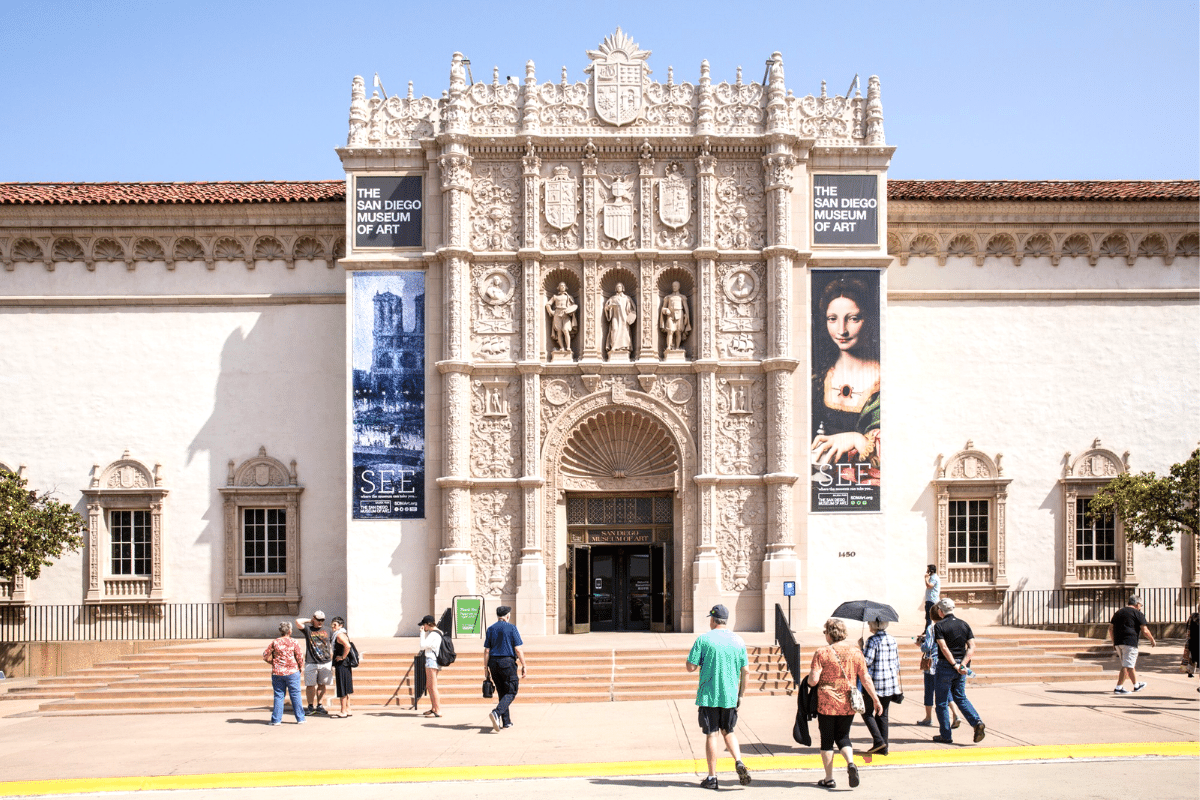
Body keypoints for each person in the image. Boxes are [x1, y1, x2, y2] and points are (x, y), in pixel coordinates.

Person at [810, 277, 880, 484]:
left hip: (868, 489)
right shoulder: (818, 379)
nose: (842, 330)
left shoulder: (884, 381)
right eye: (832, 319)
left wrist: (857, 439)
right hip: (822, 484)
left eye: (853, 318)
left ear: (868, 319)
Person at [806, 618, 882, 790]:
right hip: (848, 703)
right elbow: (865, 678)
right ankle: (851, 763)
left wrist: (810, 681)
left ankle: (829, 778)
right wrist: (875, 699)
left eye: (825, 632)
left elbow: (813, 680)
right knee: (843, 737)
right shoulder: (856, 652)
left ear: (829, 634)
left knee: (827, 741)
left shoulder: (822, 653)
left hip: (826, 702)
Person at [685, 604, 752, 790]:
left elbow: (690, 667)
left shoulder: (704, 640)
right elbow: (746, 671)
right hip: (730, 696)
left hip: (709, 695)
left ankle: (712, 777)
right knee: (729, 731)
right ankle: (738, 761)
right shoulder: (738, 640)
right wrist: (741, 695)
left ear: (713, 620)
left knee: (711, 734)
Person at [931, 598, 986, 744]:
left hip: (945, 666)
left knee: (942, 702)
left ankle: (945, 735)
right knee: (960, 696)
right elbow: (972, 646)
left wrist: (954, 664)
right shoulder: (964, 624)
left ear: (940, 611)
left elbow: (943, 647)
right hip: (961, 667)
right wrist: (963, 665)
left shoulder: (939, 626)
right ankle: (976, 722)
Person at [860, 619, 901, 759]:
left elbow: (866, 661)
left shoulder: (872, 640)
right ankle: (884, 746)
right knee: (883, 715)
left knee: (866, 712)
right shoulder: (892, 639)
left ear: (874, 625)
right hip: (889, 682)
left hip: (875, 682)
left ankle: (879, 741)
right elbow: (896, 661)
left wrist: (861, 649)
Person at [483, 606, 526, 731]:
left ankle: (506, 721)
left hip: (493, 662)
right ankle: (497, 712)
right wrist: (524, 664)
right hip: (507, 662)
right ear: (507, 616)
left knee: (502, 691)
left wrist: (486, 669)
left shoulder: (491, 629)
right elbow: (518, 649)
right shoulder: (512, 628)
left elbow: (486, 650)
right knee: (512, 690)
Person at [916, 617, 960, 730]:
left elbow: (927, 646)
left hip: (933, 663)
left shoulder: (932, 627)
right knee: (946, 690)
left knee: (929, 689)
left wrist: (920, 644)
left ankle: (928, 717)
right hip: (946, 661)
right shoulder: (949, 626)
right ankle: (955, 714)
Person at [1107, 595, 1156, 693]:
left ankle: (1136, 685)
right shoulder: (1137, 613)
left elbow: (1110, 629)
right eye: (1140, 605)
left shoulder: (1118, 612)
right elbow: (1145, 630)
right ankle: (1118, 687)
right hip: (1130, 642)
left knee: (1130, 664)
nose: (1140, 607)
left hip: (1118, 642)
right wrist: (1152, 639)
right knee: (1127, 665)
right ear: (1137, 604)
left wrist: (1113, 642)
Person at [263, 621, 305, 726]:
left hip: (278, 672)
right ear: (290, 631)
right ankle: (300, 718)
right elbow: (299, 656)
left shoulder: (275, 642)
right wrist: (301, 667)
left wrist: (273, 663)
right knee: (295, 694)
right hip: (292, 671)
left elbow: (265, 655)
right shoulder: (294, 642)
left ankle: (276, 720)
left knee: (279, 695)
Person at [295, 610, 334, 715]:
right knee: (310, 685)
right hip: (311, 661)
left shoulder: (328, 630)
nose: (320, 622)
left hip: (325, 662)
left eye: (322, 620)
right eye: (318, 620)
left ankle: (320, 705)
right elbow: (298, 621)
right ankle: (311, 706)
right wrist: (310, 621)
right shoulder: (308, 629)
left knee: (322, 684)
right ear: (314, 619)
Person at [418, 614, 444, 717]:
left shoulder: (433, 634)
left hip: (431, 660)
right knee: (429, 686)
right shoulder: (438, 632)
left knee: (433, 687)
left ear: (428, 624)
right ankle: (434, 708)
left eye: (424, 625)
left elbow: (422, 646)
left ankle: (438, 710)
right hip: (433, 661)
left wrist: (421, 634)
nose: (423, 627)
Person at [604, 282, 637, 359]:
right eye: (617, 286)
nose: (619, 288)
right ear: (616, 288)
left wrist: (631, 317)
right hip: (615, 317)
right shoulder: (612, 298)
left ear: (623, 288)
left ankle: (624, 347)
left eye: (620, 286)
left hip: (624, 318)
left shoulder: (627, 298)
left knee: (624, 331)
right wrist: (610, 307)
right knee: (614, 329)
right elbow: (606, 308)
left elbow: (632, 310)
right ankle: (613, 347)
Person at [329, 616, 353, 718]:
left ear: (340, 625)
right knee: (346, 687)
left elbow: (347, 646)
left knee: (342, 687)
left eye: (335, 625)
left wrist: (342, 657)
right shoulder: (343, 633)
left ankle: (343, 711)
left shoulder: (339, 635)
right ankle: (348, 709)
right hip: (345, 664)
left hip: (342, 664)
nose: (333, 627)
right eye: (332, 625)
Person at [545, 282, 578, 352]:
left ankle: (568, 347)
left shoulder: (569, 297)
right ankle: (562, 347)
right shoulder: (555, 297)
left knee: (566, 330)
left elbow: (574, 306)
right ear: (558, 288)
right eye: (561, 286)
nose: (562, 287)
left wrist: (571, 311)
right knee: (559, 332)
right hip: (557, 313)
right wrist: (551, 311)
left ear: (566, 287)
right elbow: (548, 304)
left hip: (566, 314)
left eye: (563, 286)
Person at [660, 281, 691, 352]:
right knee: (670, 330)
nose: (674, 287)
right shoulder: (668, 297)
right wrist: (666, 310)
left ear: (679, 287)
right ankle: (668, 346)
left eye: (676, 286)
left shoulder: (682, 297)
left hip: (679, 313)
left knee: (678, 332)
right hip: (670, 314)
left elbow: (686, 308)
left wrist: (687, 316)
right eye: (673, 286)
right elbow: (663, 308)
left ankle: (677, 347)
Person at [1185, 604, 1199, 683]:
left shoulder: (1192, 616)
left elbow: (1187, 626)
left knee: (1191, 657)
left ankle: (1190, 671)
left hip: (1192, 641)